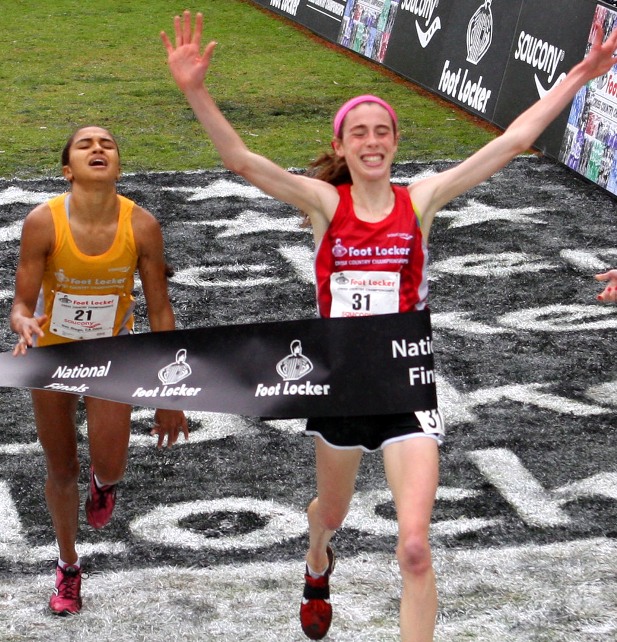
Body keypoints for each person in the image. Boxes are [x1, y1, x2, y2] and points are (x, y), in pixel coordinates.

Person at [161, 12, 617, 641]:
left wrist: (579, 76)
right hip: (342, 388)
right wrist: (195, 90)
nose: (372, 142)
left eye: (383, 132)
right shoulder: (325, 203)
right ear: (341, 146)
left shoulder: (421, 200)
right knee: (332, 513)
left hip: (406, 385)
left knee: (415, 548)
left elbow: (513, 141)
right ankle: (317, 558)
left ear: (396, 143)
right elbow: (240, 160)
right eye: (360, 133)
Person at [10, 125, 189, 616]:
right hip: (52, 354)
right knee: (61, 468)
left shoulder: (142, 225)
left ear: (118, 166)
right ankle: (68, 566)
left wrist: (171, 395)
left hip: (112, 356)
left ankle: (103, 483)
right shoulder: (43, 222)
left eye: (107, 143)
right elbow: (22, 302)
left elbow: (160, 310)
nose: (97, 148)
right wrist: (23, 320)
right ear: (67, 170)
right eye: (85, 144)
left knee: (111, 465)